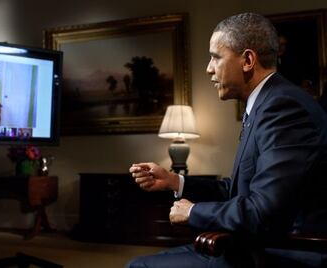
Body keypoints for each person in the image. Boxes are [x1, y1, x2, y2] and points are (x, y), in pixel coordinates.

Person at [128, 13, 327, 268]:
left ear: (247, 60)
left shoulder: (284, 109)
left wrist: (192, 212)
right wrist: (174, 181)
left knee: (139, 267)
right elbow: (238, 190)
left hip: (283, 253)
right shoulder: (267, 103)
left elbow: (261, 212)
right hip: (256, 245)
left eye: (215, 57)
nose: (208, 68)